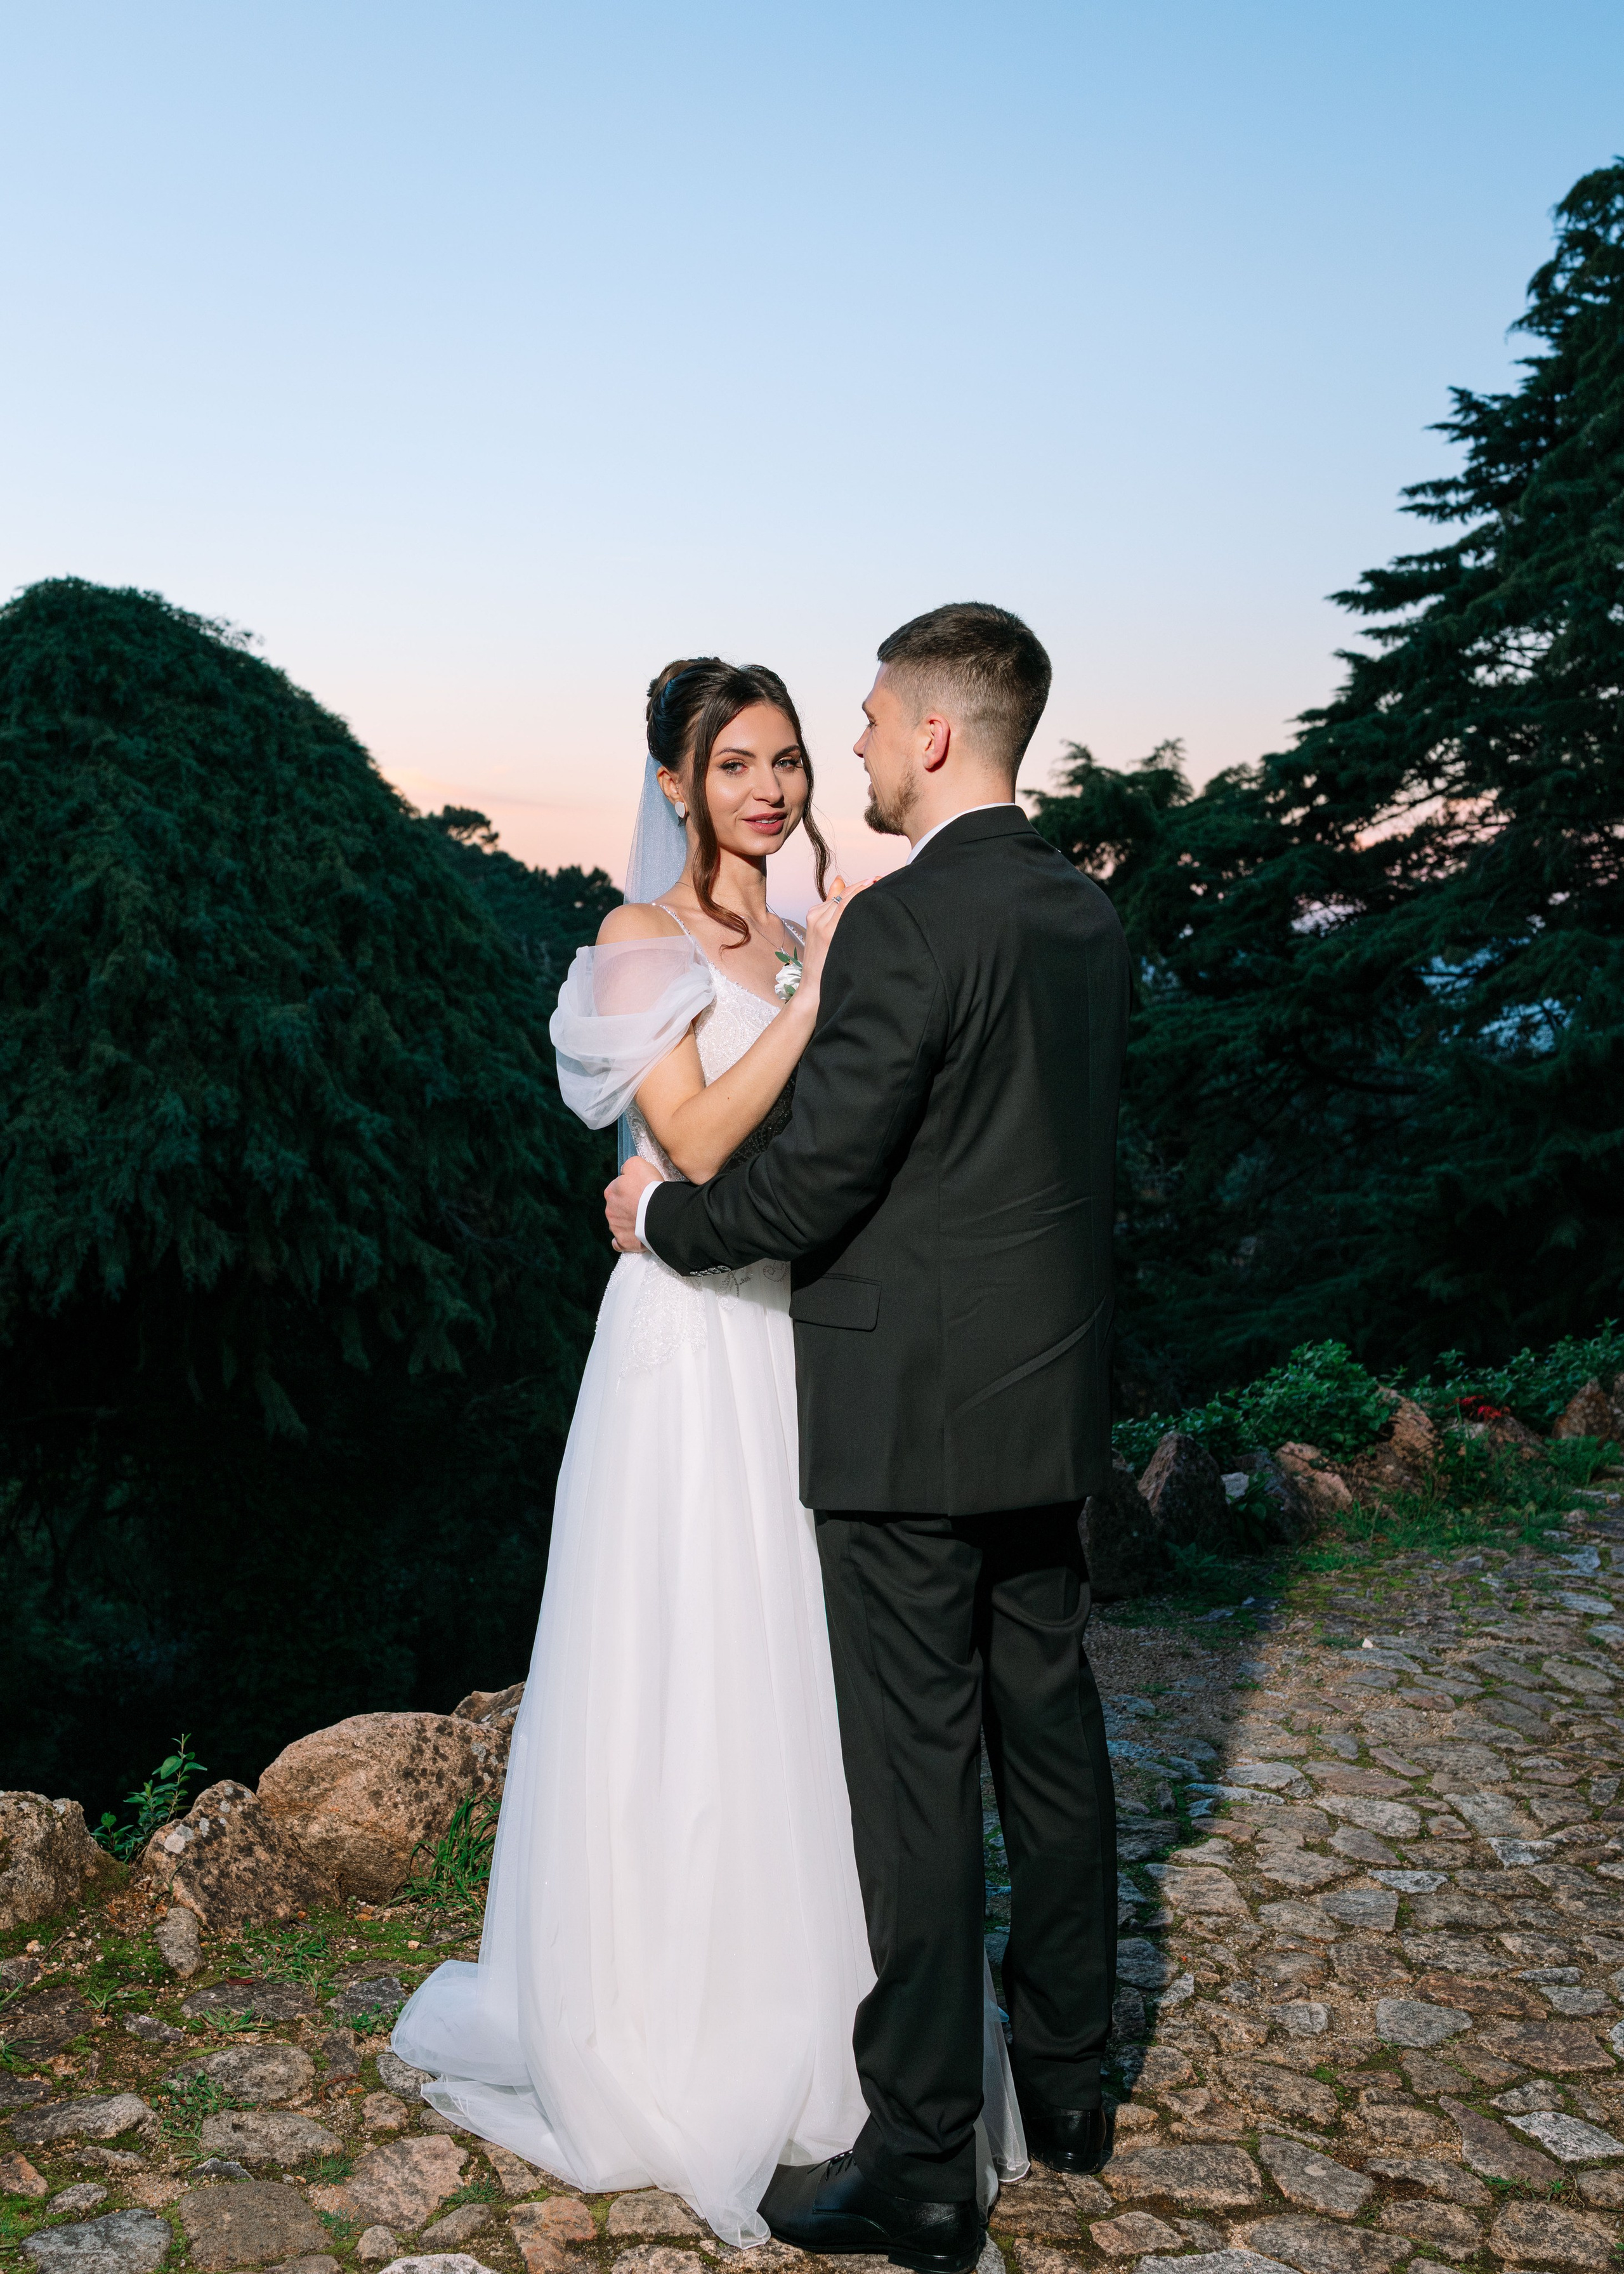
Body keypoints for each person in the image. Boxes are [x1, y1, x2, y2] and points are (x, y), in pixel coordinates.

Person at [391, 657, 1025, 2252]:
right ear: (674, 785)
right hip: (685, 1354)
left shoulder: (814, 932)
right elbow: (688, 1144)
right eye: (733, 762)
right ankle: (668, 2022)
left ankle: (823, 2028)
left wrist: (819, 976)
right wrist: (812, 1000)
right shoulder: (634, 944)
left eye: (789, 759)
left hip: (803, 1349)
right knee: (684, 1662)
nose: (769, 788)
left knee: (805, 1688)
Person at [606, 604, 1129, 2274]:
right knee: (1051, 1744)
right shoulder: (1082, 915)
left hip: (903, 1416)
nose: (843, 757)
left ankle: (919, 2167)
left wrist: (665, 1224)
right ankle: (1072, 2083)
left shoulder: (905, 929)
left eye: (861, 722)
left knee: (915, 1785)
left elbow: (820, 1176)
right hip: (1049, 1404)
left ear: (927, 734)